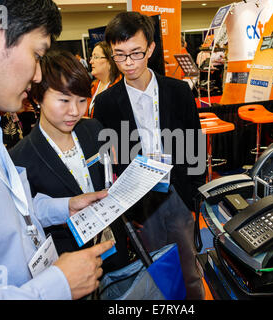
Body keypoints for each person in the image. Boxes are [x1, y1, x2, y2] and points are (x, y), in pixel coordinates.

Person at [0, 0, 113, 300]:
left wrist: (64, 207)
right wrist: (56, 286)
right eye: (36, 55)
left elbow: (9, 213)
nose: (38, 75)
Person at [92, 11, 206, 300]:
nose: (128, 63)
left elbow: (193, 142)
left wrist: (193, 193)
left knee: (189, 267)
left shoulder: (178, 91)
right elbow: (111, 158)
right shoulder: (106, 103)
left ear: (151, 49)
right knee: (153, 272)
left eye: (136, 53)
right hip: (140, 201)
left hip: (178, 189)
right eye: (119, 55)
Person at [9, 49, 130, 272]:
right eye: (64, 100)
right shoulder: (20, 157)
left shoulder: (94, 129)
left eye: (82, 100)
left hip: (115, 247)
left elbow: (108, 179)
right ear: (38, 98)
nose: (74, 111)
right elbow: (28, 221)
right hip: (69, 263)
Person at [86, 41, 122, 118]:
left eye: (96, 57)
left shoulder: (120, 89)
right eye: (91, 57)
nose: (91, 61)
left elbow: (125, 123)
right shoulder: (93, 87)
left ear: (110, 61)